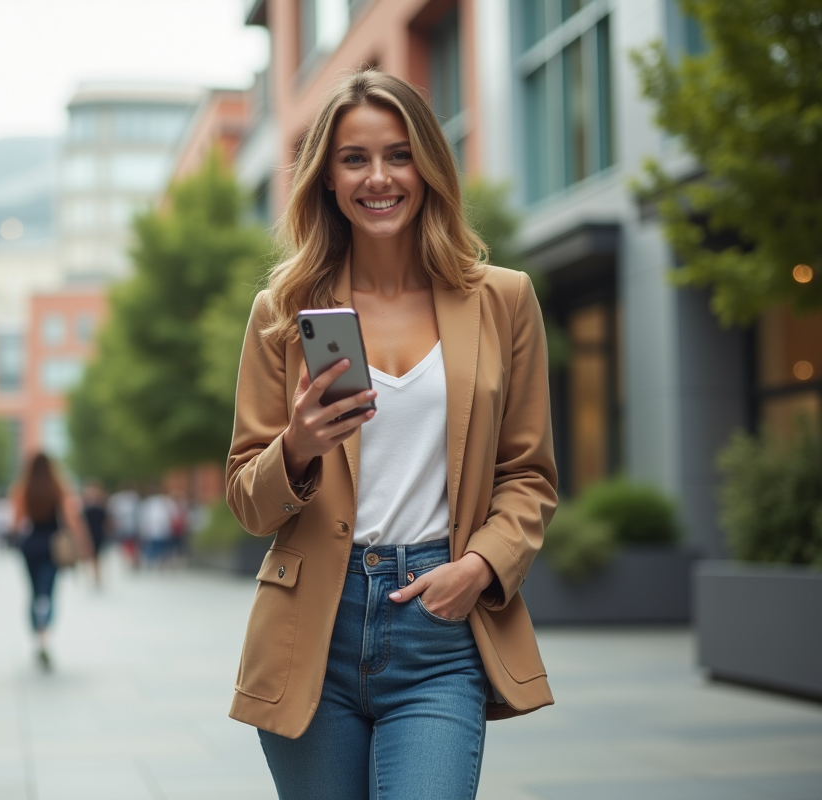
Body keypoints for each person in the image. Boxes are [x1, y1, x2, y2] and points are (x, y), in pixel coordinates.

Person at [225, 70, 558, 800]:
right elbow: (247, 501)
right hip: (313, 625)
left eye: (399, 154)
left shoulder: (502, 300)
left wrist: (479, 569)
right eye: (354, 159)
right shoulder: (283, 313)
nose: (379, 178)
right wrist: (298, 447)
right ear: (328, 179)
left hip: (440, 628)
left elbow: (529, 474)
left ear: (429, 166)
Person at [13, 453, 91, 670]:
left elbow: (17, 522)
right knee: (48, 593)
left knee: (33, 592)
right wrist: (83, 545)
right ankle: (44, 634)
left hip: (30, 545)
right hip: (52, 545)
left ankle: (37, 635)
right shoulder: (59, 488)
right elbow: (71, 520)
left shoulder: (22, 489)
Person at [80, 480, 110, 587]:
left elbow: (107, 522)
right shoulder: (83, 505)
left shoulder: (102, 505)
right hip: (87, 534)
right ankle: (88, 577)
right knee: (87, 556)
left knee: (96, 557)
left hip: (98, 534)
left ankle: (97, 577)